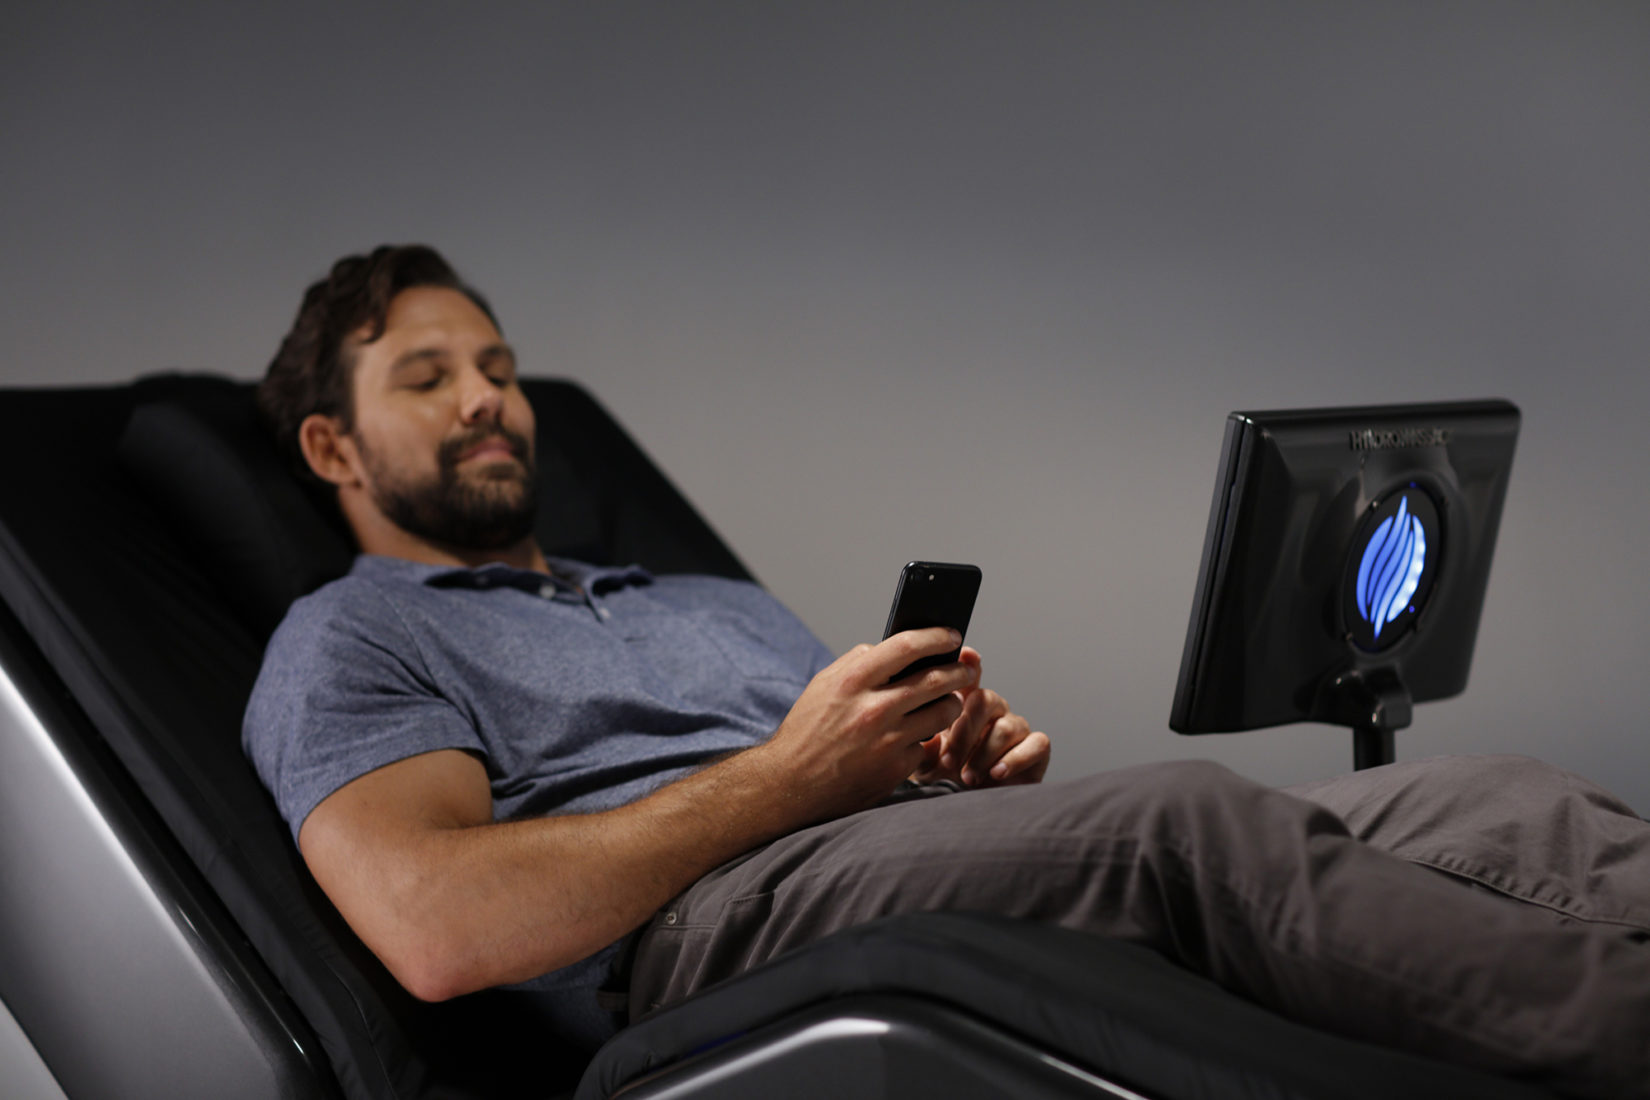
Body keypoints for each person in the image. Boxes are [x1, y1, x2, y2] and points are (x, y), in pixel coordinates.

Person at [244, 245, 1650, 1098]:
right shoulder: (355, 637)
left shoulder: (696, 598)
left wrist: (946, 768)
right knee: (1180, 826)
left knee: (1494, 800)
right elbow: (438, 932)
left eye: (495, 365)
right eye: (427, 379)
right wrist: (797, 776)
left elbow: (842, 784)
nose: (488, 396)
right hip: (699, 937)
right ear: (332, 449)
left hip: (869, 857)